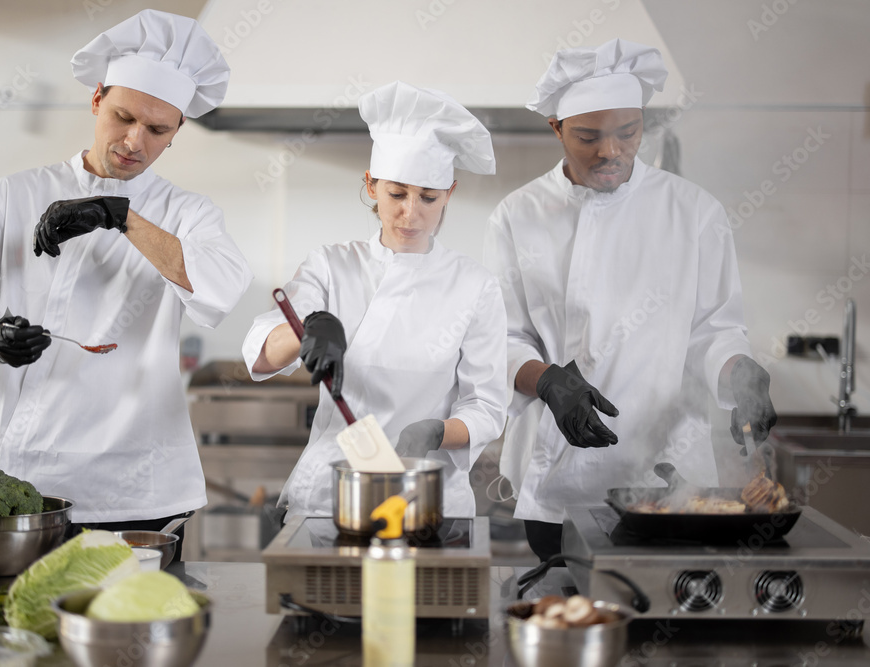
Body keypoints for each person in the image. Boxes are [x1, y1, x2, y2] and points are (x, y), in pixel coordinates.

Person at [0, 10, 253, 555]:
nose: (134, 141)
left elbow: (222, 286)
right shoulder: (12, 196)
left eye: (158, 129)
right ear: (96, 99)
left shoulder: (186, 213)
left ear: (177, 132)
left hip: (139, 490)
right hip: (27, 482)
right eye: (123, 116)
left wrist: (119, 216)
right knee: (21, 635)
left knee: (128, 632)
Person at [483, 39, 777, 561]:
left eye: (628, 132)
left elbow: (714, 331)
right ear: (556, 127)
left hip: (670, 481)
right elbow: (501, 337)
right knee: (566, 612)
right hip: (557, 475)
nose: (611, 151)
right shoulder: (516, 216)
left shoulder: (694, 214)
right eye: (588, 136)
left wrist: (738, 372)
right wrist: (546, 380)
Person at [242, 81, 508, 523]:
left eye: (429, 197)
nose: (411, 213)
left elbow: (487, 406)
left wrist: (438, 431)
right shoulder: (331, 266)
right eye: (397, 194)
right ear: (371, 184)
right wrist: (308, 330)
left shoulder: (475, 285)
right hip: (329, 498)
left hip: (428, 499)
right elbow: (263, 356)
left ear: (450, 193)